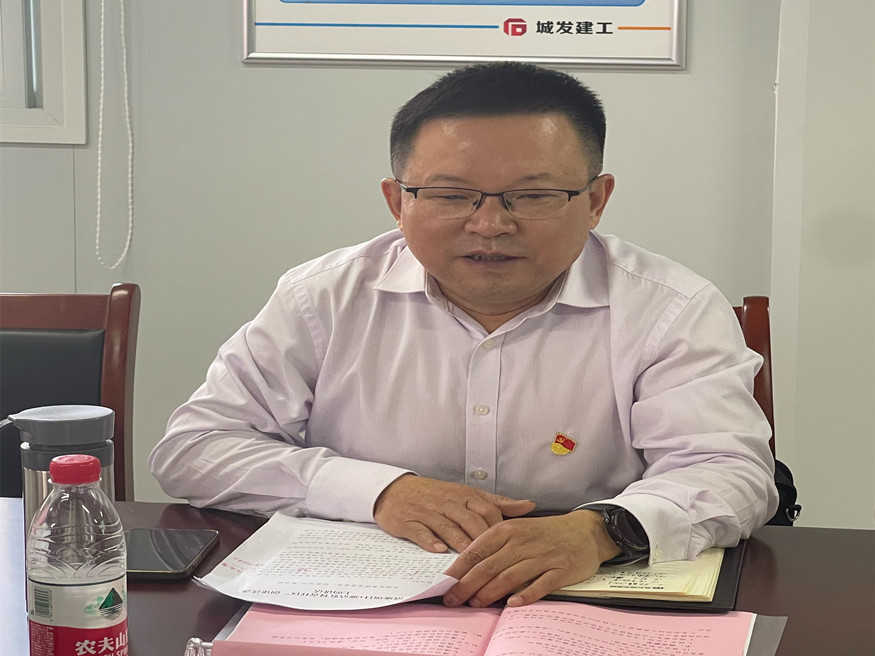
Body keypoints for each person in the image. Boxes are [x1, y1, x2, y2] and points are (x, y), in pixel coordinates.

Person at [150, 61, 778, 609]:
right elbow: (196, 448)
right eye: (451, 195)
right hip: (361, 599)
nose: (490, 224)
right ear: (397, 202)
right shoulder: (323, 297)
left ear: (596, 200)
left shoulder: (672, 308)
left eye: (532, 196)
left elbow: (730, 469)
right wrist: (378, 492)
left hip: (582, 595)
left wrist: (602, 530)